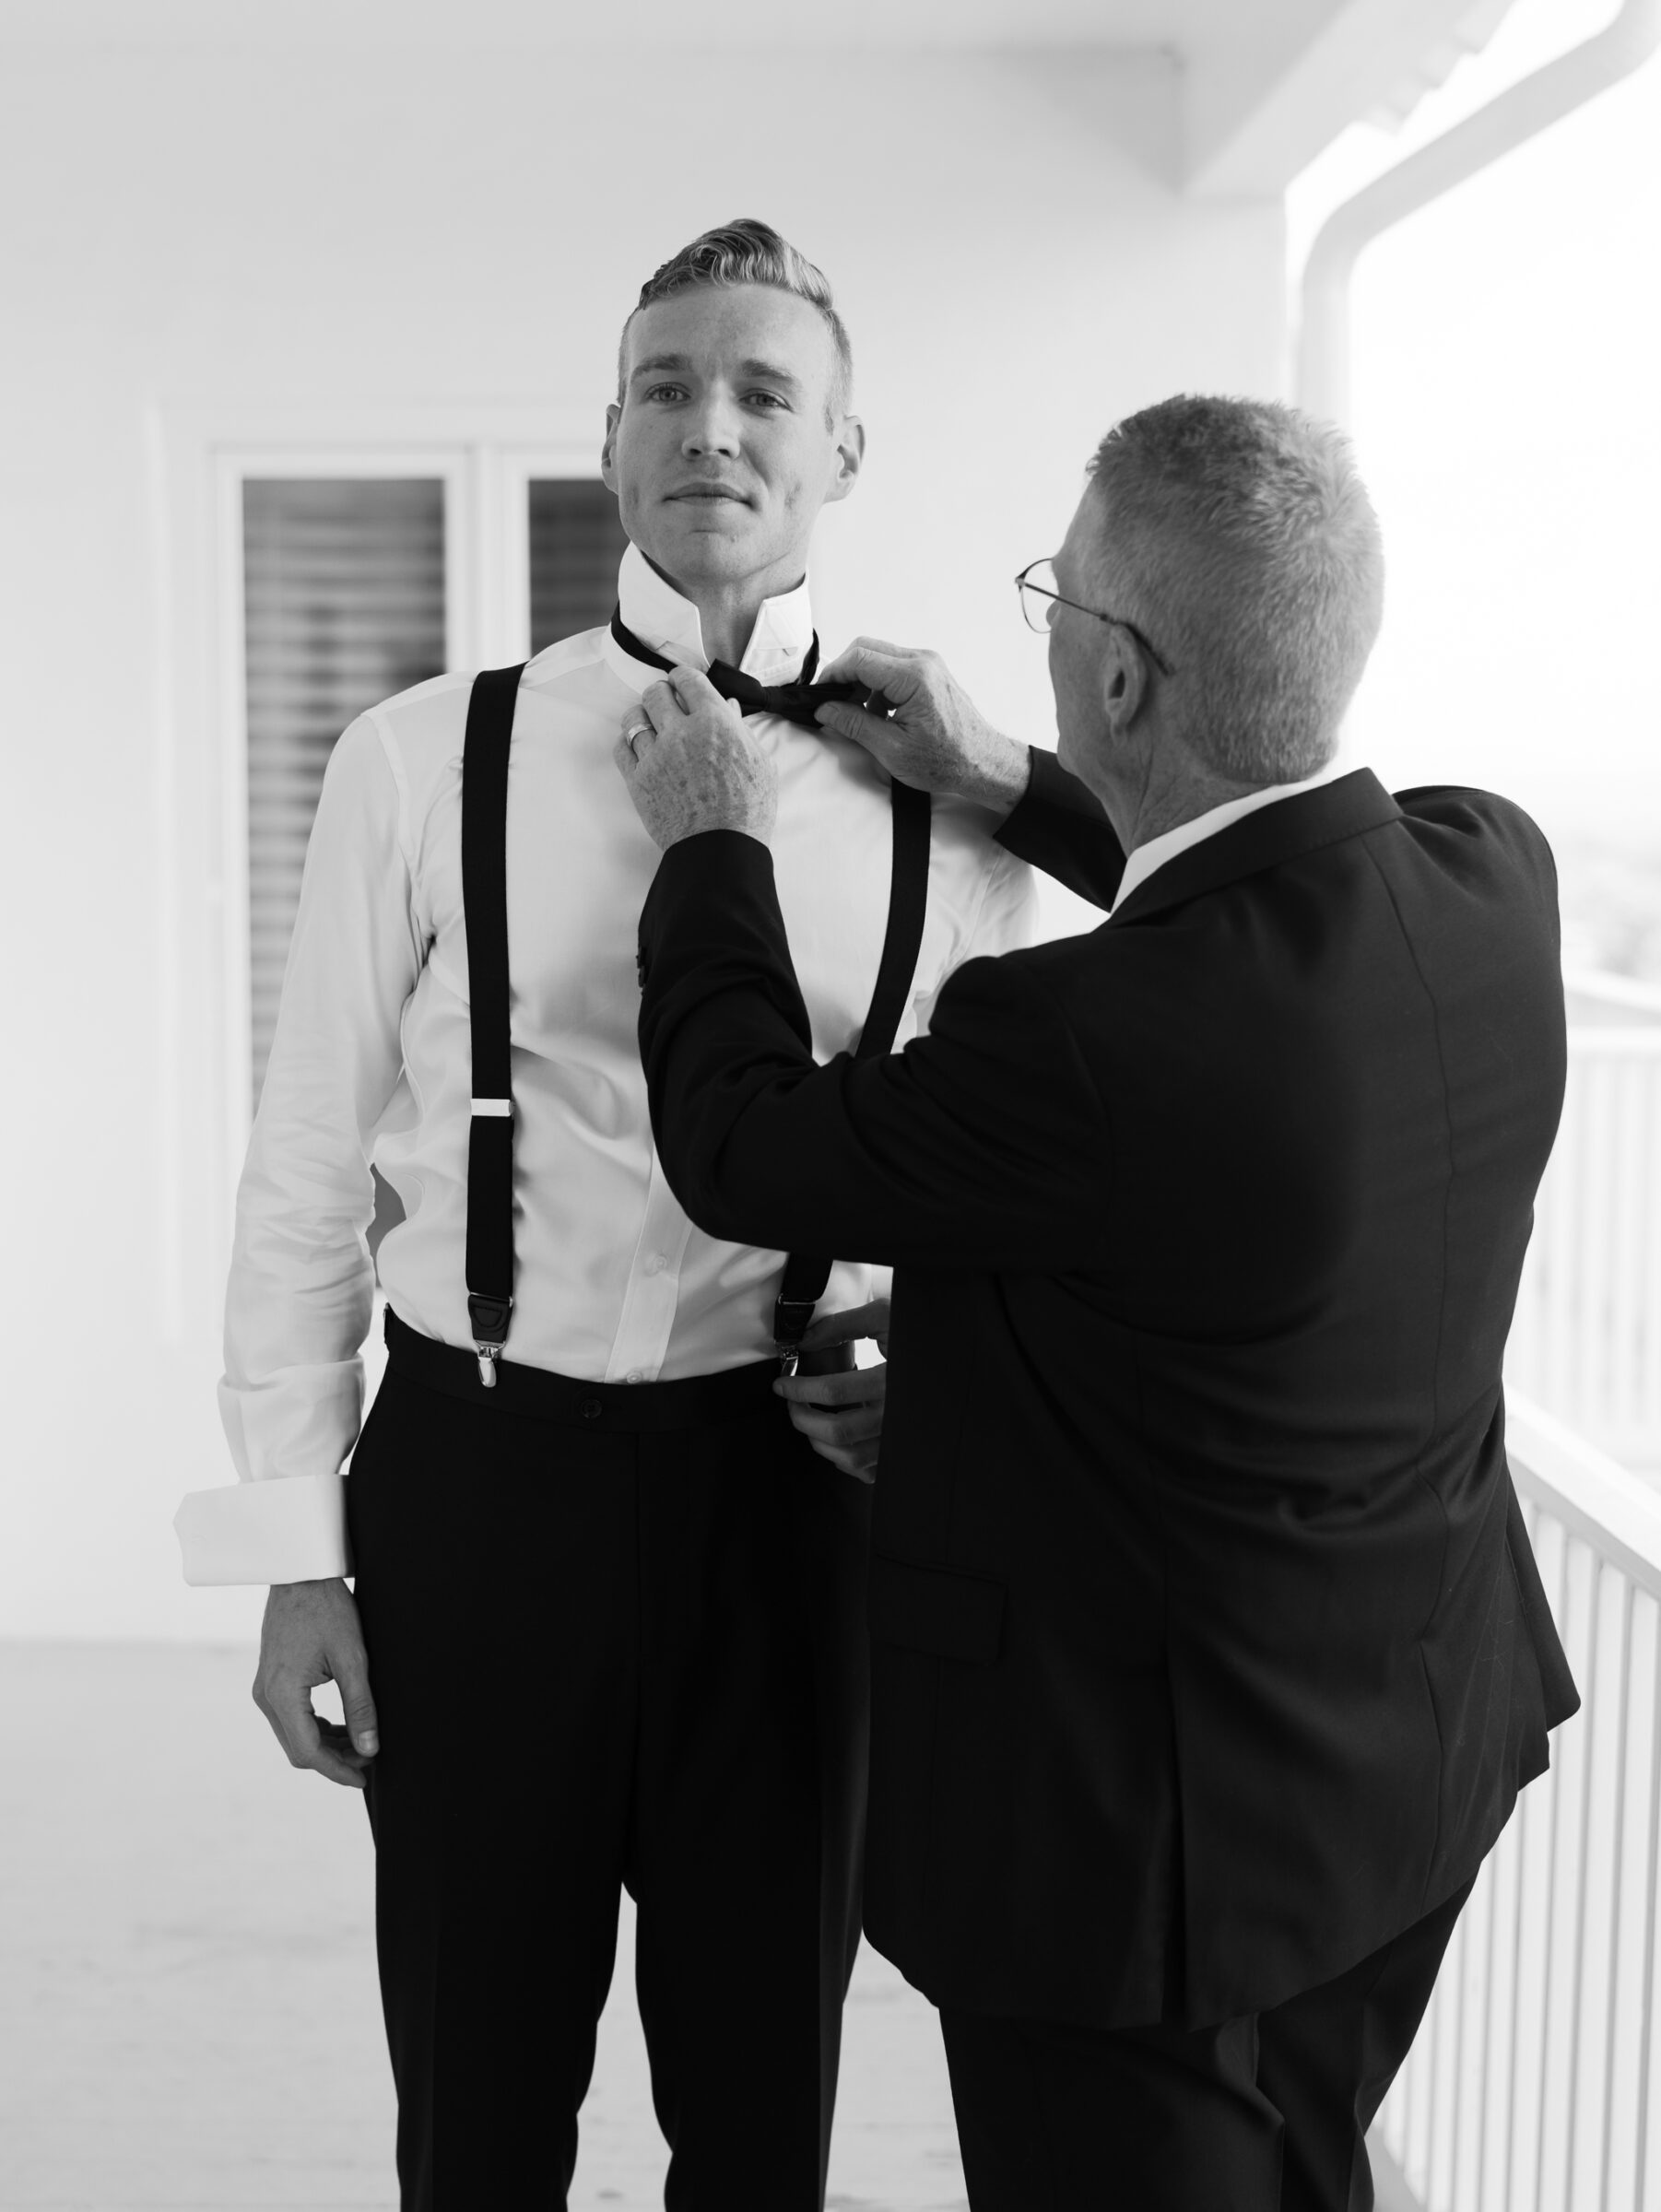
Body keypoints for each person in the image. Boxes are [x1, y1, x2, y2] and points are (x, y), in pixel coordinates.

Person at [614, 394, 1580, 2212]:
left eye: (1058, 594)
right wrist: (1005, 786)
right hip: (1411, 1757)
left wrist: (707, 841)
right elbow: (1230, 1032)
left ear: (1120, 677)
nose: (1041, 625)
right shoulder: (1485, 874)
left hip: (1150, 1869)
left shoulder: (1074, 1043)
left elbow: (741, 1143)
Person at [172, 218, 1034, 2212]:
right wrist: (294, 1557)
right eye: (667, 385)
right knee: (475, 2117)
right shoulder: (418, 754)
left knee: (758, 2120)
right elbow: (308, 1158)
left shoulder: (952, 806)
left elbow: (1009, 1170)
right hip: (479, 1488)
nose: (709, 426)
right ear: (610, 442)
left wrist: (938, 1383)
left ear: (840, 455)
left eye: (763, 393)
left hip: (790, 1505)